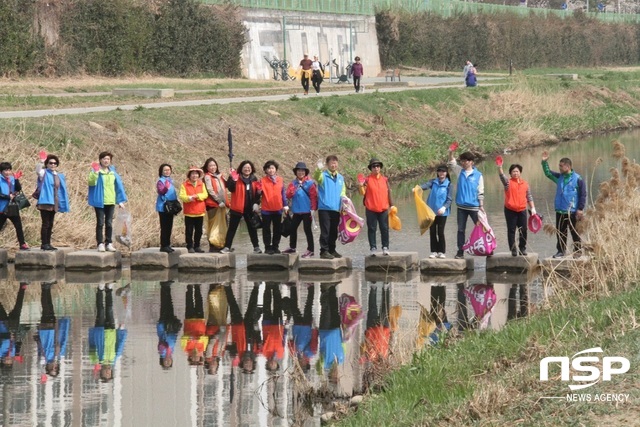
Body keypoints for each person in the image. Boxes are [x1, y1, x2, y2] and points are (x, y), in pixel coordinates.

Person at [541, 151, 586, 258]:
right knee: (561, 232)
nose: (559, 168)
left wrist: (580, 209)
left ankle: (577, 251)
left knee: (575, 232)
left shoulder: (578, 179)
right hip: (560, 210)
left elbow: (583, 194)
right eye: (559, 166)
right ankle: (561, 251)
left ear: (568, 166)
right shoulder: (559, 177)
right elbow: (548, 173)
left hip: (573, 211)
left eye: (561, 166)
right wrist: (544, 162)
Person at [88, 151, 127, 252]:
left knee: (109, 223)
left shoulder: (112, 172)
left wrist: (120, 201)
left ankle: (108, 243)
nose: (106, 161)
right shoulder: (96, 171)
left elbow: (118, 186)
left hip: (110, 201)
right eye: (104, 159)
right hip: (99, 201)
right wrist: (96, 173)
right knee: (100, 223)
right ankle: (100, 243)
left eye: (108, 159)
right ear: (100, 160)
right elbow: (91, 182)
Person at [448, 150, 484, 259]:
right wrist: (450, 153)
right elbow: (452, 163)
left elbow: (481, 191)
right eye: (462, 161)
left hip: (474, 207)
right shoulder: (460, 172)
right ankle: (460, 251)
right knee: (460, 230)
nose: (464, 163)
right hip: (461, 207)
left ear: (472, 162)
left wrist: (481, 206)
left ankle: (486, 248)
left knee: (481, 228)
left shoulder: (478, 175)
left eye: (466, 161)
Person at [88, 283, 128, 382]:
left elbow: (92, 345)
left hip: (99, 331)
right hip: (111, 331)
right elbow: (120, 344)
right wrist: (121, 330)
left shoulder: (96, 360)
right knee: (109, 309)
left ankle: (100, 290)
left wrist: (92, 333)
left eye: (105, 374)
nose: (107, 372)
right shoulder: (114, 358)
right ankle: (109, 289)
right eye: (109, 374)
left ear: (101, 372)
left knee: (101, 310)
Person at [221, 160, 262, 254]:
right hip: (237, 208)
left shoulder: (254, 178)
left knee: (252, 228)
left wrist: (256, 203)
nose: (247, 169)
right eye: (245, 167)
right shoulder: (236, 177)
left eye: (249, 168)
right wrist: (232, 178)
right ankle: (227, 246)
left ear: (251, 169)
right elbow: (230, 188)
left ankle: (256, 247)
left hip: (249, 208)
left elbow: (257, 193)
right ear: (241, 168)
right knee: (232, 229)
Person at [499, 163, 537, 256]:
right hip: (510, 209)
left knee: (523, 230)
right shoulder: (508, 182)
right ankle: (513, 249)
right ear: (510, 174)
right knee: (511, 230)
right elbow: (501, 176)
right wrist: (499, 166)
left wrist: (532, 208)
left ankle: (522, 248)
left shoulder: (525, 184)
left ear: (520, 173)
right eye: (513, 172)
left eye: (517, 171)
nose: (515, 173)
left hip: (522, 209)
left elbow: (529, 196)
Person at [35, 282, 70, 379]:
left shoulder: (43, 358)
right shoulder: (58, 355)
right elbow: (62, 339)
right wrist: (64, 324)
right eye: (56, 368)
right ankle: (47, 288)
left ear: (48, 367)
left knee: (46, 309)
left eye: (52, 369)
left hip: (45, 330)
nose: (54, 367)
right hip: (53, 329)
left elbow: (39, 344)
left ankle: (44, 288)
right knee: (50, 307)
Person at [359, 158, 393, 256]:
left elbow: (389, 193)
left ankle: (385, 247)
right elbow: (362, 193)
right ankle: (373, 248)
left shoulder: (385, 179)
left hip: (383, 209)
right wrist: (361, 186)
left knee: (384, 228)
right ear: (371, 168)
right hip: (371, 209)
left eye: (378, 166)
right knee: (372, 229)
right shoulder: (367, 180)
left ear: (380, 168)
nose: (376, 168)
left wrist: (392, 205)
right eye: (374, 166)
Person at [224, 283, 261, 374]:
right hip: (250, 327)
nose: (247, 364)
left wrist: (232, 352)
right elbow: (258, 337)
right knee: (252, 306)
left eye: (246, 366)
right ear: (253, 364)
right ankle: (256, 286)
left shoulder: (237, 354)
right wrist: (256, 325)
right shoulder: (256, 352)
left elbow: (227, 347)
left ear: (242, 364)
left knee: (233, 305)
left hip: (237, 327)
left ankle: (227, 286)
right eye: (249, 366)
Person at [417, 165, 452, 258]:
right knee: (432, 231)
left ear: (446, 173)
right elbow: (425, 186)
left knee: (440, 232)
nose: (441, 173)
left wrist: (444, 207)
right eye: (440, 171)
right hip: (431, 212)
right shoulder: (433, 182)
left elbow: (449, 199)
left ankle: (441, 251)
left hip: (442, 213)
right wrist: (417, 188)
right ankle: (433, 251)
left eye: (443, 171)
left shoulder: (448, 184)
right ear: (437, 172)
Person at [36, 154, 70, 251]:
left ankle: (48, 243)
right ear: (47, 164)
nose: (53, 165)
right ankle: (44, 243)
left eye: (55, 163)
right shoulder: (44, 173)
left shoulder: (57, 175)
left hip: (54, 202)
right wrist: (41, 161)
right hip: (45, 201)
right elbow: (38, 170)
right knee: (45, 223)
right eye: (50, 163)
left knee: (50, 223)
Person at [284, 162, 317, 258]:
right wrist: (292, 189)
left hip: (307, 211)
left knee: (307, 230)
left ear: (305, 172)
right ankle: (292, 247)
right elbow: (288, 195)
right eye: (299, 170)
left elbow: (313, 197)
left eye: (302, 171)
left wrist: (313, 209)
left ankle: (310, 250)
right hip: (296, 211)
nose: (300, 172)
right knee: (292, 228)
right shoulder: (293, 183)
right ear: (296, 172)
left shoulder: (310, 183)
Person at [286, 283, 317, 372]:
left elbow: (289, 342)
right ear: (307, 364)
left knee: (293, 307)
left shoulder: (295, 354)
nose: (301, 363)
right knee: (308, 306)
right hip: (307, 326)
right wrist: (314, 328)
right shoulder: (311, 353)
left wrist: (293, 350)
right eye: (303, 365)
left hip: (297, 327)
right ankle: (311, 288)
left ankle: (293, 287)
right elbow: (314, 339)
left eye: (299, 365)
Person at [259, 160, 288, 254]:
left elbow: (283, 193)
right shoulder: (262, 181)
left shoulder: (280, 180)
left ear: (275, 169)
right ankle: (267, 247)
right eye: (268, 168)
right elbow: (258, 193)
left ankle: (275, 246)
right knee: (266, 229)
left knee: (277, 229)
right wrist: (258, 192)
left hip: (278, 209)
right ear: (266, 170)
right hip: (266, 209)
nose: (270, 170)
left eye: (272, 168)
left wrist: (285, 205)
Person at [318, 282, 344, 383]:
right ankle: (332, 287)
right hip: (336, 331)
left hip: (325, 331)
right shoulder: (341, 359)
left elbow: (318, 366)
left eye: (334, 376)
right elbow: (343, 345)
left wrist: (322, 374)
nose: (336, 374)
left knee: (326, 309)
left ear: (330, 375)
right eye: (337, 376)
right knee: (334, 308)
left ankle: (324, 290)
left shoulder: (325, 363)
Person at [0, 162, 29, 250]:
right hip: (2, 207)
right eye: (5, 170)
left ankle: (22, 244)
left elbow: (18, 189)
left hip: (12, 206)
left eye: (9, 170)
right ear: (1, 171)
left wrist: (16, 179)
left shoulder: (12, 178)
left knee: (18, 225)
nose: (8, 172)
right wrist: (8, 196)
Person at [179, 166, 208, 253]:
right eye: (192, 174)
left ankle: (197, 246)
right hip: (189, 212)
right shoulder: (184, 185)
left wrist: (198, 196)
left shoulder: (201, 184)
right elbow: (182, 196)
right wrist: (189, 198)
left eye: (196, 174)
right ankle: (189, 246)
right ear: (189, 175)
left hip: (200, 212)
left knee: (199, 231)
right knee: (189, 230)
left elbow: (205, 195)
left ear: (198, 175)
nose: (194, 176)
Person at [0, 282, 28, 368]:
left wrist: (8, 336)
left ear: (2, 361)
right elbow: (18, 342)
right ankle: (22, 287)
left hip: (2, 323)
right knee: (18, 307)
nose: (8, 359)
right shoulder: (14, 352)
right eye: (10, 361)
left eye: (6, 361)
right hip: (13, 327)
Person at [202, 158, 228, 252]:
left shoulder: (220, 176)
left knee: (223, 224)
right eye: (210, 166)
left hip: (222, 204)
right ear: (207, 167)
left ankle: (222, 244)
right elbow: (210, 190)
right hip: (213, 205)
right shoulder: (207, 177)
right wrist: (218, 201)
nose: (213, 167)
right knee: (213, 225)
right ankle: (213, 246)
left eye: (214, 165)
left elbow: (227, 185)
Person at [156, 281, 182, 370]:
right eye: (169, 363)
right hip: (171, 327)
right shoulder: (171, 352)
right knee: (170, 306)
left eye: (165, 362)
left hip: (164, 325)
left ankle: (164, 287)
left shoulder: (162, 352)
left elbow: (162, 344)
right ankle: (167, 287)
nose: (167, 361)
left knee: (165, 305)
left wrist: (166, 350)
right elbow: (173, 340)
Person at [261, 282, 285, 372]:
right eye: (274, 365)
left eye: (270, 365)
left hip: (266, 326)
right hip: (278, 327)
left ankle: (268, 286)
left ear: (267, 364)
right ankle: (276, 287)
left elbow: (261, 341)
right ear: (277, 363)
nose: (272, 364)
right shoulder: (281, 354)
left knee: (266, 305)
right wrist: (285, 328)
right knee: (277, 306)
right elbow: (284, 340)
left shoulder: (264, 353)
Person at [181, 284, 208, 366]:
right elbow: (205, 338)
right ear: (200, 357)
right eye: (197, 359)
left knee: (189, 302)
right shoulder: (202, 348)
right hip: (200, 322)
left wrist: (190, 338)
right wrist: (198, 339)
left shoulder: (185, 348)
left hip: (189, 322)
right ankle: (197, 287)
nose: (195, 358)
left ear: (190, 358)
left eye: (194, 359)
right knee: (199, 301)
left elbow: (183, 338)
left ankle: (189, 287)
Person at [156, 163, 178, 253]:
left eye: (168, 170)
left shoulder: (170, 180)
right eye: (165, 170)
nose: (167, 171)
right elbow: (161, 191)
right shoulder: (161, 181)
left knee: (169, 226)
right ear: (161, 171)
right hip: (163, 207)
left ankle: (167, 244)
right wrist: (167, 186)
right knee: (164, 226)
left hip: (171, 206)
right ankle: (163, 245)